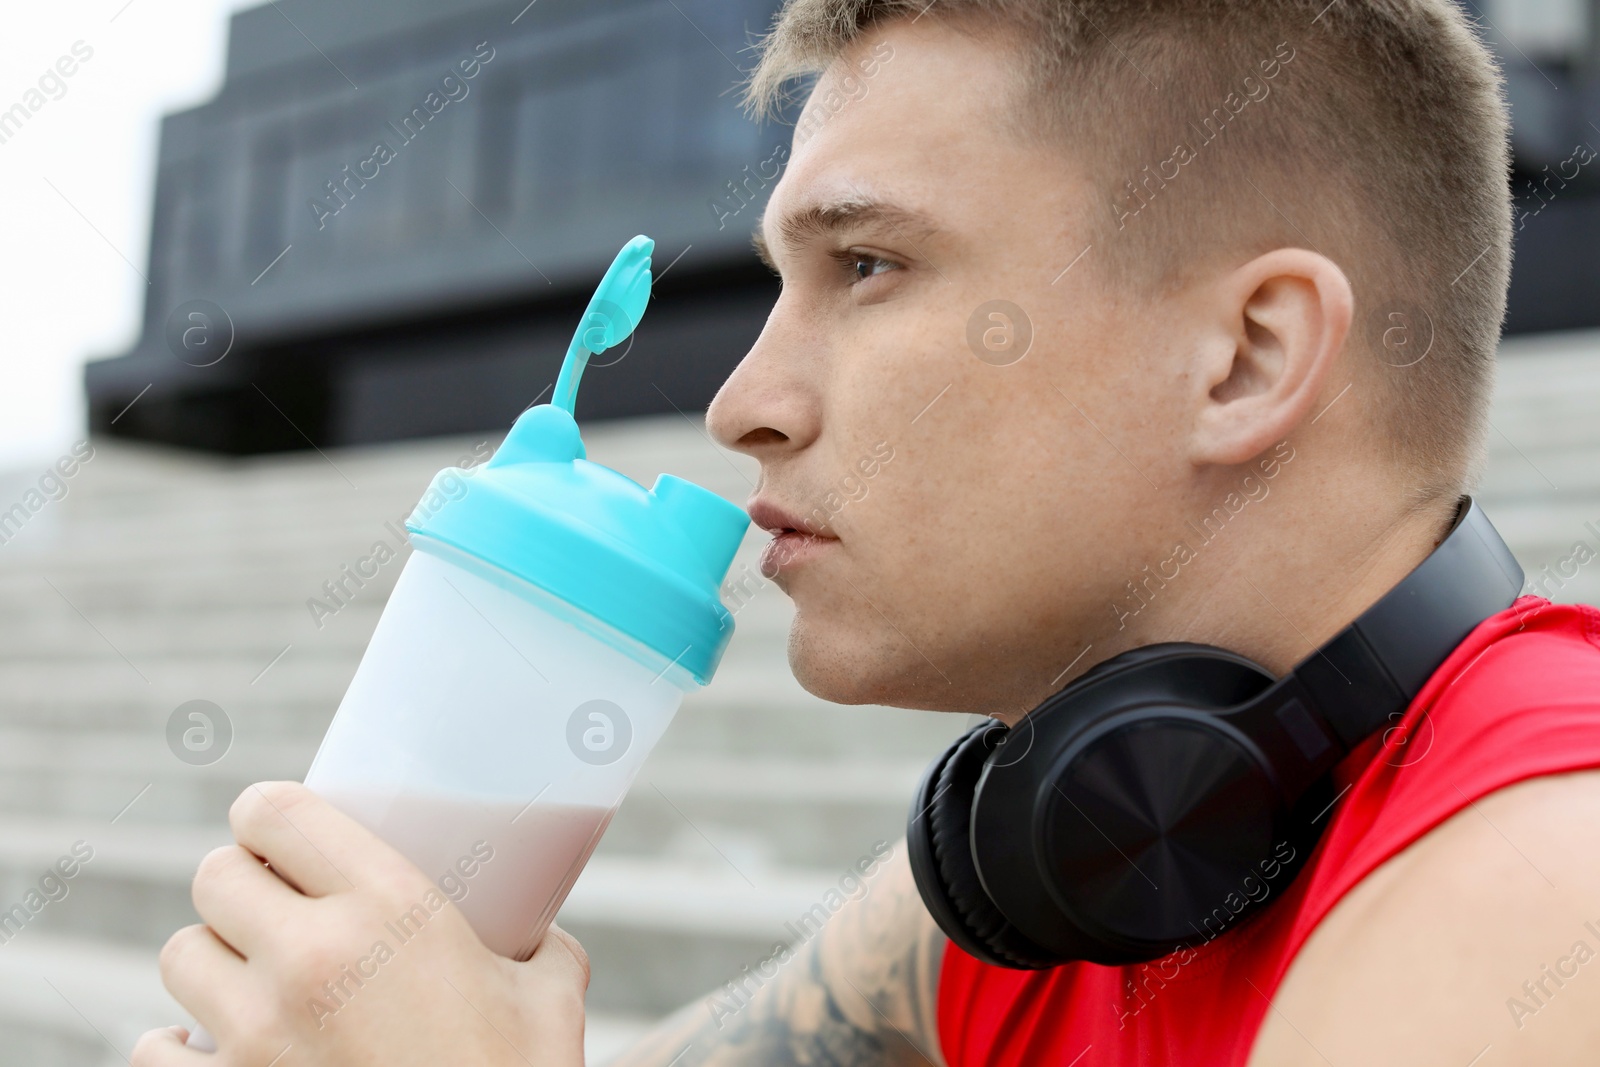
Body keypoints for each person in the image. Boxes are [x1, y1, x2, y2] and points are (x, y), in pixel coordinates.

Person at [135, 1, 1600, 1064]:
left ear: (1246, 358)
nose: (741, 404)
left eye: (869, 264)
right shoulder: (1060, 865)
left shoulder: (1543, 896)